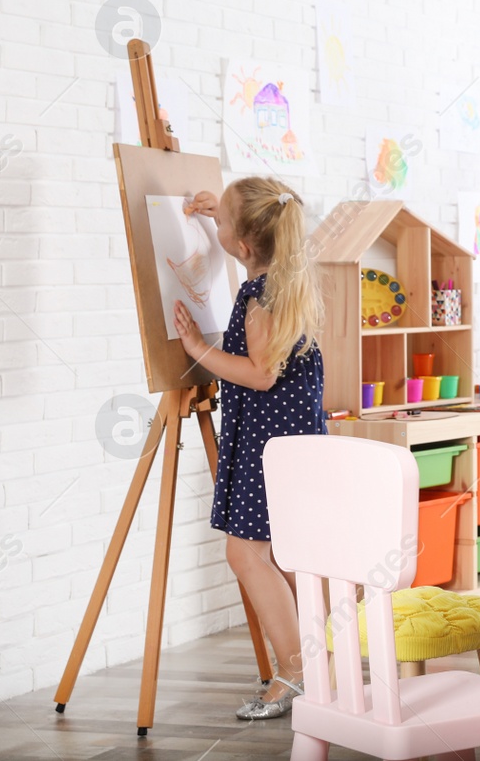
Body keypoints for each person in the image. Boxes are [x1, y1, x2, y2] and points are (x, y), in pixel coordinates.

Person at [174, 178, 324, 717]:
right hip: (288, 439)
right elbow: (248, 247)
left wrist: (196, 348)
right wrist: (225, 213)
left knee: (246, 553)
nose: (215, 230)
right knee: (283, 556)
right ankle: (313, 665)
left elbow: (259, 374)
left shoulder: (260, 298)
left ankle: (296, 674)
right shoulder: (284, 281)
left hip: (268, 442)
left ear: (241, 246)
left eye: (221, 225)